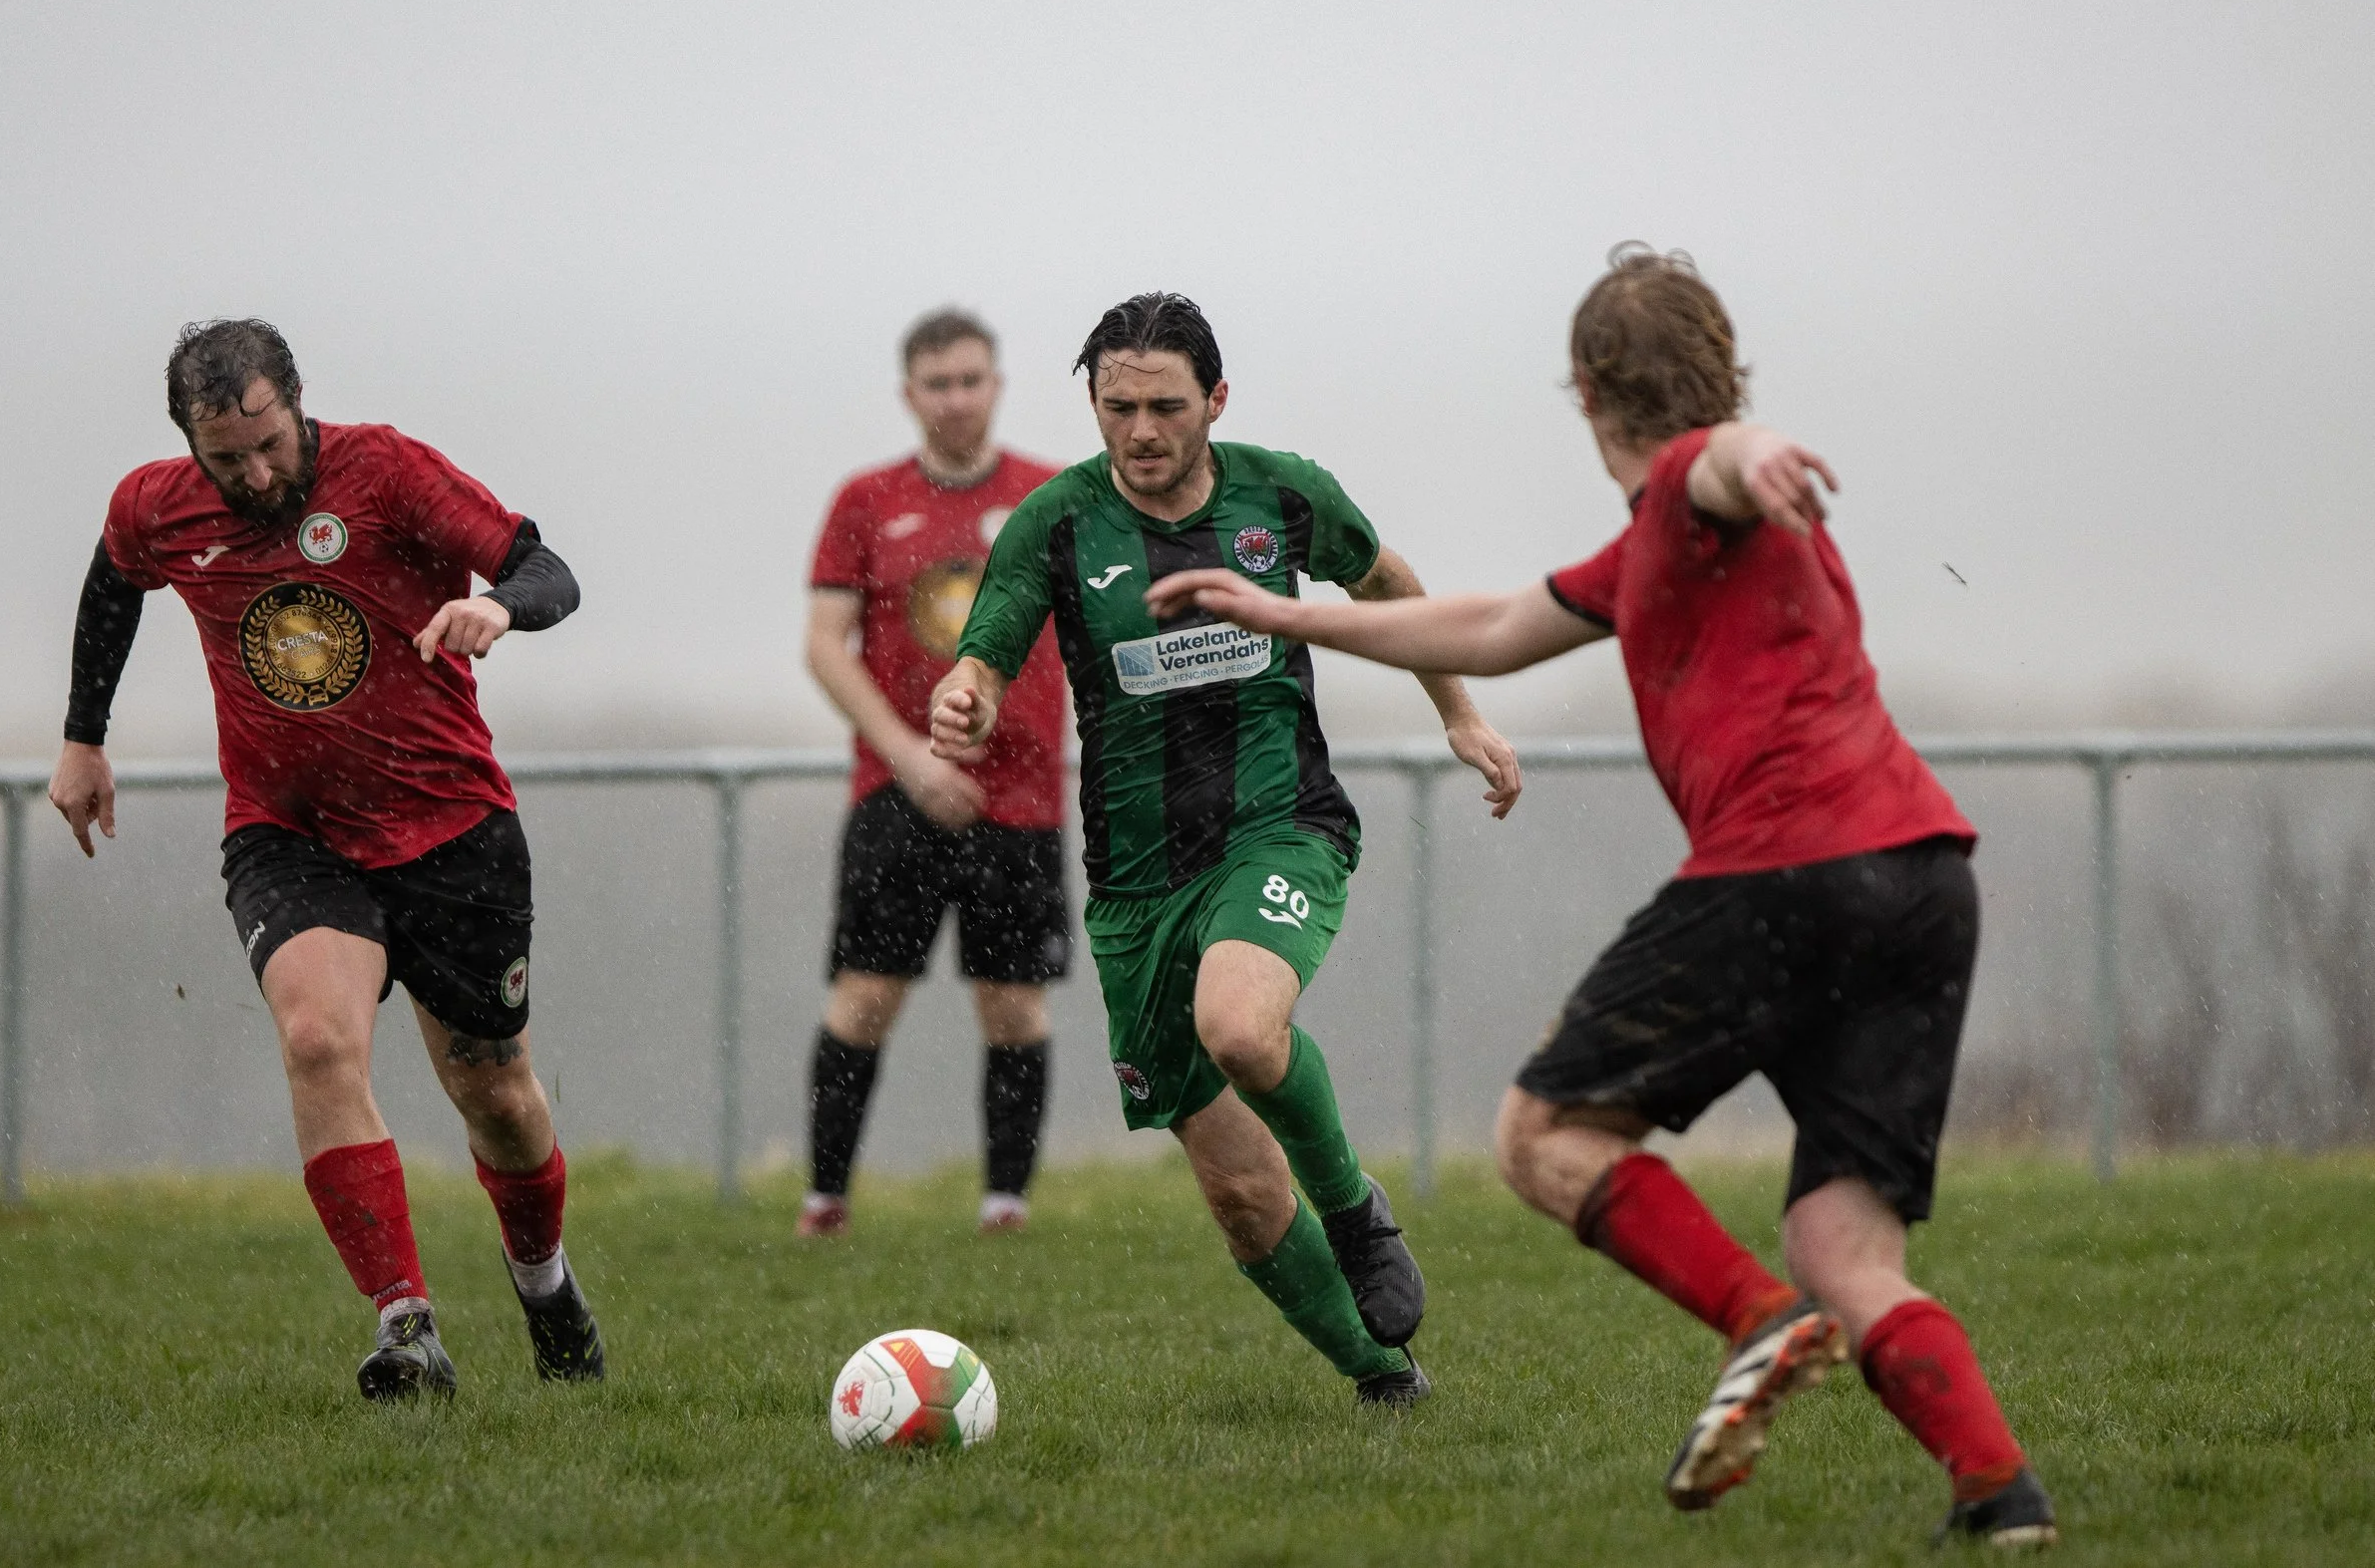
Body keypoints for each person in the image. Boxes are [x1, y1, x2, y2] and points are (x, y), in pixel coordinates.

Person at [1144, 247, 2058, 1544]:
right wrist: (1289, 619)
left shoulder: (1697, 481)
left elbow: (1723, 457)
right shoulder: (1649, 554)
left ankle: (1758, 1323)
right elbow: (1494, 627)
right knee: (1845, 1246)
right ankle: (1997, 1489)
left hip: (1785, 872)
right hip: (1920, 881)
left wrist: (1761, 449)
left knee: (1544, 1137)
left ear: (1584, 391)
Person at [929, 292, 1523, 1406]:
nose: (1140, 431)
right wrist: (963, 693)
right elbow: (989, 642)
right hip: (1135, 888)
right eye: (1117, 408)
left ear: (1215, 400)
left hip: (1277, 827)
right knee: (1241, 1196)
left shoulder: (1280, 492)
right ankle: (1384, 1382)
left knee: (1241, 1027)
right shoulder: (1056, 522)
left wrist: (1458, 712)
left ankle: (1352, 1207)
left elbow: (1388, 585)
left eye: (1164, 406)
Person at [48, 319, 602, 1403]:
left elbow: (549, 568)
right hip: (289, 833)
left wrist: (494, 604)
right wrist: (83, 734)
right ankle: (407, 1328)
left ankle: (544, 1281)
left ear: (298, 402)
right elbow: (114, 583)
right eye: (227, 459)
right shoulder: (156, 505)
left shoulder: (386, 471)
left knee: (495, 1091)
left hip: (451, 830)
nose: (255, 473)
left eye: (269, 444)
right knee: (314, 1038)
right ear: (190, 445)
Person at [800, 308, 1071, 1237]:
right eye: (938, 383)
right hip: (896, 790)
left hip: (1023, 793)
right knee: (866, 995)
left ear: (997, 385)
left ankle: (1006, 1206)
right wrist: (908, 756)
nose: (957, 399)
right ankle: (825, 1199)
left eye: (972, 379)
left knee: (1012, 1004)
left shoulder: (1051, 498)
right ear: (909, 394)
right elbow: (823, 646)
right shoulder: (865, 501)